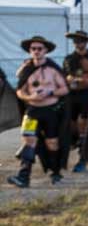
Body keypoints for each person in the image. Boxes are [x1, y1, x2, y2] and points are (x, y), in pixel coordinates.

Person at [7, 36, 69, 188]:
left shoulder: (53, 69)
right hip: (32, 110)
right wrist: (30, 96)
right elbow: (20, 91)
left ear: (45, 50)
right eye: (33, 49)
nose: (36, 51)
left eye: (39, 48)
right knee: (28, 139)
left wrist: (51, 92)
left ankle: (55, 172)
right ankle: (23, 176)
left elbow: (65, 89)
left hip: (50, 111)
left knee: (52, 143)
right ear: (30, 51)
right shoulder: (25, 69)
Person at [63, 31, 88, 167]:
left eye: (81, 41)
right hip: (72, 95)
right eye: (76, 41)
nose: (78, 43)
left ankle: (83, 157)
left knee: (84, 124)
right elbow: (66, 77)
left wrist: (82, 80)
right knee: (71, 124)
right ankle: (74, 143)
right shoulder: (69, 58)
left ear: (86, 42)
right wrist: (75, 79)